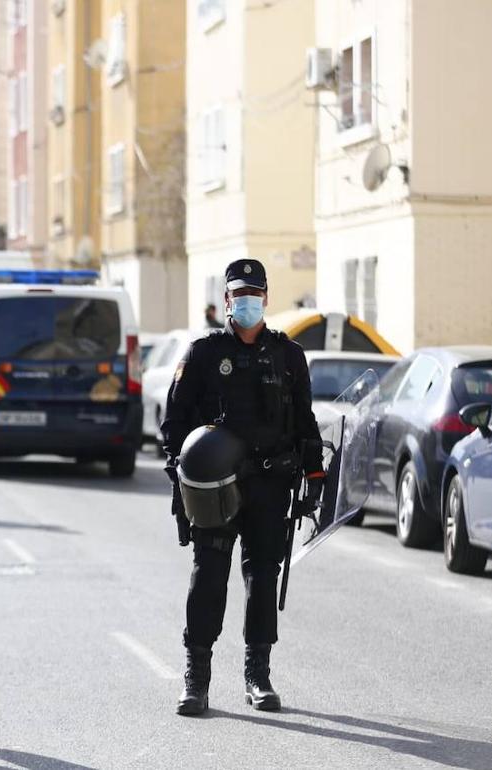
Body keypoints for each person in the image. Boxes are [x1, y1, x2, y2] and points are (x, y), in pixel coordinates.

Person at [161, 259, 324, 716]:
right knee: (209, 574)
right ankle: (197, 678)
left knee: (263, 576)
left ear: (266, 298)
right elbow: (174, 424)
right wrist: (183, 475)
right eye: (239, 295)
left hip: (271, 484)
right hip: (216, 487)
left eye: (255, 294)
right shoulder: (203, 354)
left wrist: (314, 476)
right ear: (226, 301)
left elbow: (306, 421)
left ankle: (258, 675)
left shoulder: (288, 355)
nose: (247, 302)